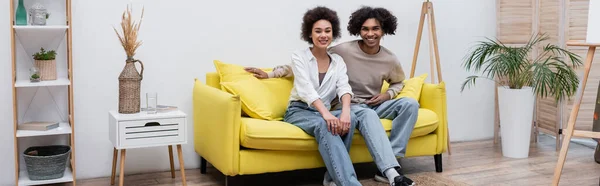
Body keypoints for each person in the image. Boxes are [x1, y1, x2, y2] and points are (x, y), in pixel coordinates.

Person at [245, 6, 419, 185]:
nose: (323, 35)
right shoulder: (313, 54)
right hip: (302, 110)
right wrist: (271, 74)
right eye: (318, 31)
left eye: (327, 31)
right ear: (309, 34)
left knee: (367, 114)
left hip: (351, 107)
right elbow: (304, 86)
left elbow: (344, 87)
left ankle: (388, 170)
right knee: (328, 124)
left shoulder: (338, 61)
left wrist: (350, 110)